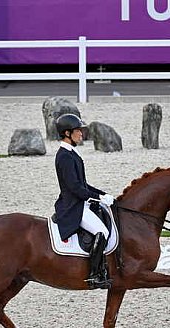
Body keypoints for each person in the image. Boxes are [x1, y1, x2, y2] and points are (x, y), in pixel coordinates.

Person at [54, 113, 115, 289]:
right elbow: (75, 188)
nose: (81, 134)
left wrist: (103, 195)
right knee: (101, 231)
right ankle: (94, 274)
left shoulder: (72, 153)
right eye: (78, 130)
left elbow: (83, 184)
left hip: (79, 201)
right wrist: (97, 198)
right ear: (67, 133)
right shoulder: (64, 156)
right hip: (73, 206)